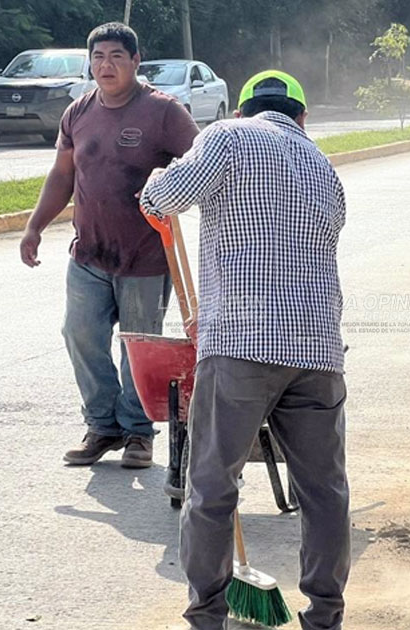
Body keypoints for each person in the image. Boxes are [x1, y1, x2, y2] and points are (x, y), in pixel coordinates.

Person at [139, 70, 349, 630]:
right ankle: (326, 615)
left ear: (241, 110)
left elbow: (165, 199)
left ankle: (207, 615)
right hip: (319, 350)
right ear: (302, 117)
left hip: (240, 343)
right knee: (324, 490)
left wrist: (156, 181)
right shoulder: (324, 167)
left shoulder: (228, 137)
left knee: (212, 485)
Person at [19, 22, 199, 468]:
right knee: (79, 335)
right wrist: (34, 225)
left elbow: (201, 167)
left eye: (117, 56)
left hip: (145, 257)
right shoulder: (78, 112)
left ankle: (138, 433)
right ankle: (102, 426)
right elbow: (63, 176)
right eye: (98, 57)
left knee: (138, 347)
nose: (106, 65)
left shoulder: (164, 112)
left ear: (136, 62)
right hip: (89, 254)